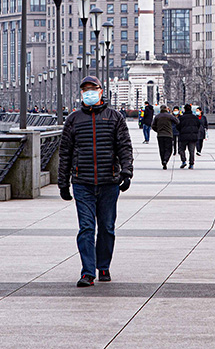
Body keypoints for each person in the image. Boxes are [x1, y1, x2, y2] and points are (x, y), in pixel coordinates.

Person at [58, 76, 134, 288]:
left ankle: (104, 266)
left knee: (107, 228)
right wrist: (63, 182)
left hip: (109, 181)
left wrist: (126, 172)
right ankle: (88, 272)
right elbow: (65, 153)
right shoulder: (73, 119)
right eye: (85, 90)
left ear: (101, 91)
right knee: (86, 228)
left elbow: (124, 146)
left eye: (93, 88)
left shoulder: (114, 117)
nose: (89, 92)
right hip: (82, 182)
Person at [175, 104, 201, 169]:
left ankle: (183, 161)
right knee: (191, 151)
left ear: (184, 109)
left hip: (183, 136)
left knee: (181, 149)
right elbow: (198, 125)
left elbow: (178, 126)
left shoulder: (182, 118)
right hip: (193, 136)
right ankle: (191, 164)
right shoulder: (195, 117)